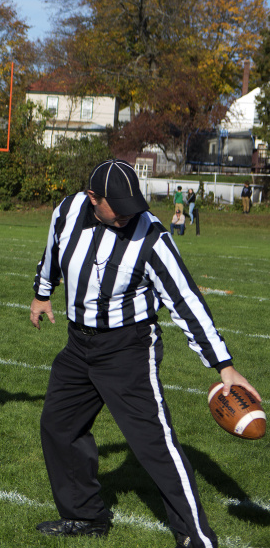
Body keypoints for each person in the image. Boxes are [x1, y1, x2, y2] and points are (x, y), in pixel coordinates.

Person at [29, 159, 260, 546]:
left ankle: (197, 537)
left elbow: (186, 300)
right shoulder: (69, 209)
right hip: (78, 344)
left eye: (130, 205)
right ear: (92, 198)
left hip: (127, 351)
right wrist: (41, 292)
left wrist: (224, 366)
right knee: (59, 426)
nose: (125, 215)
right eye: (116, 208)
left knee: (155, 445)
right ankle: (85, 516)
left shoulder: (153, 236)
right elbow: (53, 248)